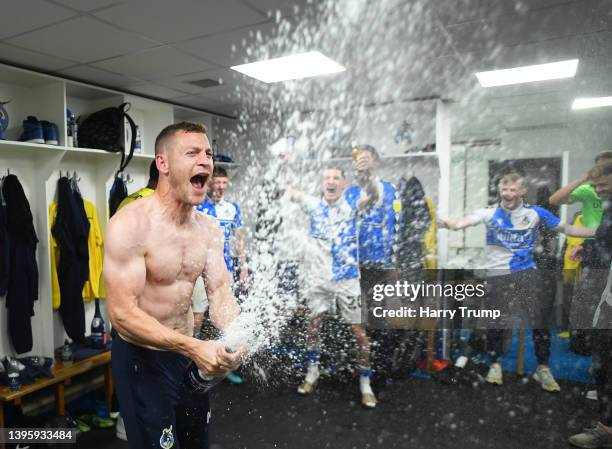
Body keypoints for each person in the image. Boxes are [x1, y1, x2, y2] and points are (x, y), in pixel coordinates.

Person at [104, 122, 242, 449]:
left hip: (185, 354)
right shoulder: (131, 224)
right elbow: (122, 314)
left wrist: (237, 338)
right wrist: (194, 347)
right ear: (163, 164)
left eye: (207, 154)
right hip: (143, 359)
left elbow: (221, 293)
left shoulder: (208, 229)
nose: (205, 161)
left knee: (197, 442)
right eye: (192, 153)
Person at [439, 173, 588, 392]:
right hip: (497, 277)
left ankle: (543, 368)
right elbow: (462, 222)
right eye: (504, 190)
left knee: (541, 321)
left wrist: (599, 233)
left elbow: (568, 229)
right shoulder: (489, 213)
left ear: (522, 191)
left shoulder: (535, 214)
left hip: (526, 274)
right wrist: (447, 223)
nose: (508, 194)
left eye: (512, 190)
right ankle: (495, 363)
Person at [289, 167, 378, 408]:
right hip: (318, 280)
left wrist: (368, 178)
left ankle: (365, 383)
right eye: (326, 178)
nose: (330, 182)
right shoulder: (314, 205)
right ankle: (312, 372)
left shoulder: (352, 206)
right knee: (313, 326)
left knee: (359, 333)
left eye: (336, 178)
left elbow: (371, 195)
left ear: (344, 184)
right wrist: (284, 164)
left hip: (346, 279)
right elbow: (289, 192)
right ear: (321, 184)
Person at [344, 144, 399, 381]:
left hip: (379, 266)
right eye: (359, 160)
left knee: (379, 319)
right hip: (352, 267)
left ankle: (381, 371)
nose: (363, 162)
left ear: (376, 163)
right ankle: (357, 365)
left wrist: (394, 264)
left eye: (367, 159)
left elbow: (397, 227)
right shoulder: (349, 193)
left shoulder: (389, 190)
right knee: (353, 320)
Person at [568, 161, 612, 449]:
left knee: (606, 364)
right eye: (595, 187)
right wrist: (590, 248)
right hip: (609, 298)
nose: (599, 191)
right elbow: (605, 244)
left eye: (603, 185)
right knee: (603, 364)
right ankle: (606, 425)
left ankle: (606, 429)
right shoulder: (608, 210)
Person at [196, 166, 248, 385]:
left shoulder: (232, 208)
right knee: (198, 319)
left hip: (226, 271)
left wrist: (244, 266)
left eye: (224, 183)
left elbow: (239, 238)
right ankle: (194, 361)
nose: (220, 187)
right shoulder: (199, 207)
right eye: (216, 182)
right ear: (209, 184)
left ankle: (224, 366)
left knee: (226, 320)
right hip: (200, 271)